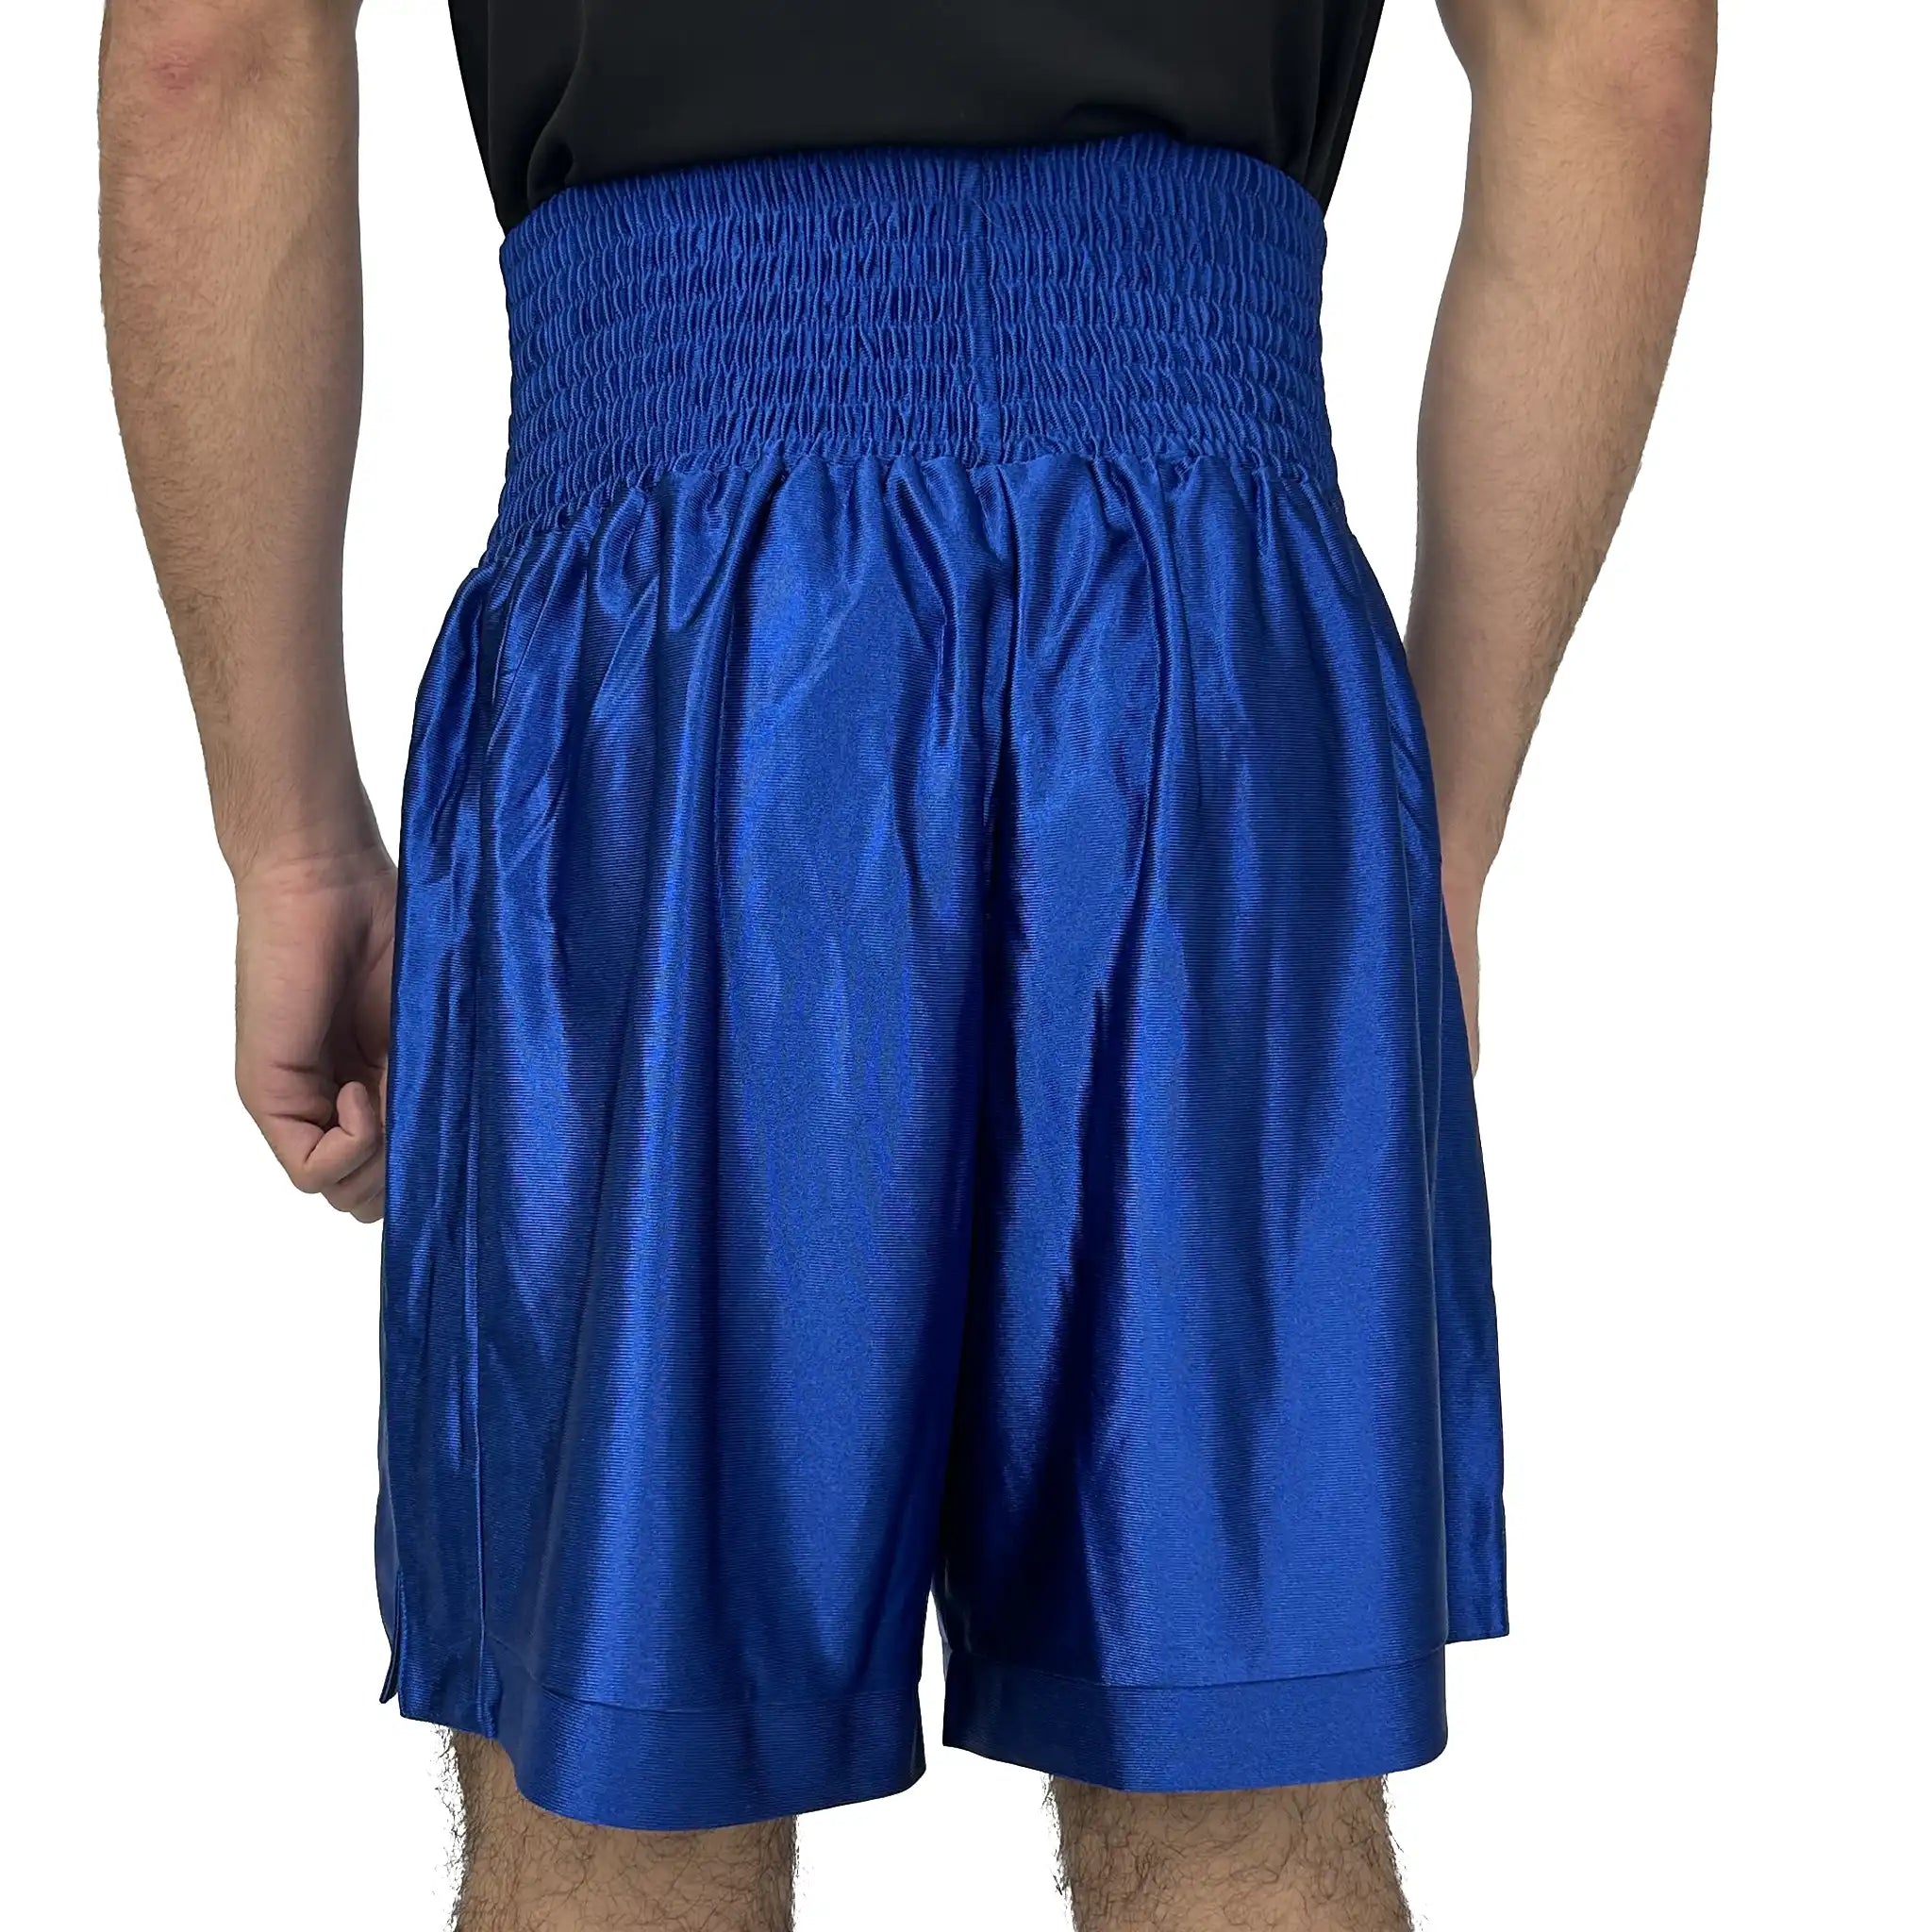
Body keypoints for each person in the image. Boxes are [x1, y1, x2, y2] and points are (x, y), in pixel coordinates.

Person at [98, 0, 1713, 1924]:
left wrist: (288, 840)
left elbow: (211, 46)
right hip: (1205, 640)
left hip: (676, 629)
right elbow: (1615, 54)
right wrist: (1429, 834)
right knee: (1241, 1811)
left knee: (621, 1807)